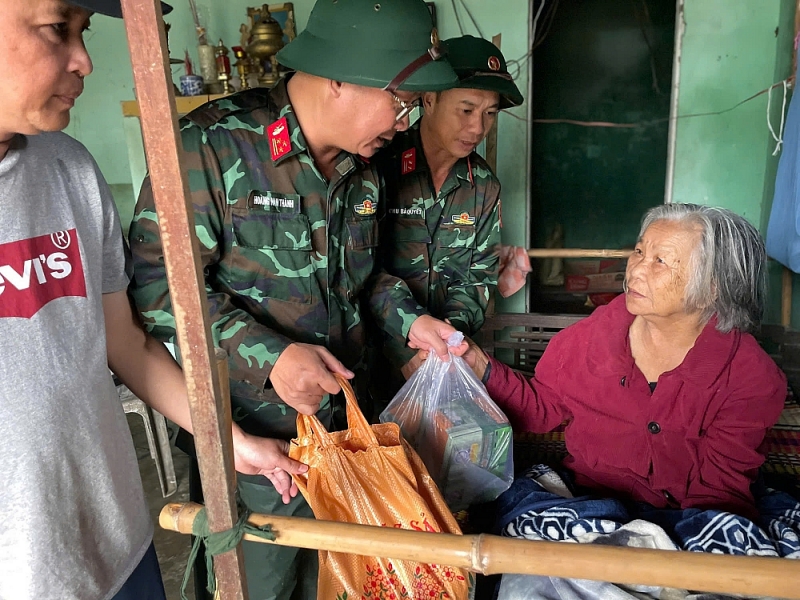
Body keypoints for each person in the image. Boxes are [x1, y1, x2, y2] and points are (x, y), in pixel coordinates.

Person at [128, 1, 465, 598]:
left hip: (344, 432)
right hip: (254, 443)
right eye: (400, 98)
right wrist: (271, 357)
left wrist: (412, 322)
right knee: (260, 585)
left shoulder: (365, 169)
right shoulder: (210, 147)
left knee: (336, 581)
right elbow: (157, 291)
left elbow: (364, 279)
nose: (406, 118)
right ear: (340, 77)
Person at [0, 1, 308, 599]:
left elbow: (128, 343)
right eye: (56, 28)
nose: (84, 60)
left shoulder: (67, 169)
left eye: (83, 33)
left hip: (118, 547)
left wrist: (229, 441)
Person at [462, 203, 787, 519]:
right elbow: (541, 409)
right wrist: (480, 366)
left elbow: (718, 492)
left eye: (660, 261)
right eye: (640, 252)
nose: (636, 270)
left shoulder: (750, 377)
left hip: (688, 514)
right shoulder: (587, 339)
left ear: (712, 288)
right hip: (589, 501)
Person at [375, 35, 524, 393]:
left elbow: (478, 278)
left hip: (444, 362)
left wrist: (446, 343)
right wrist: (406, 340)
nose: (478, 128)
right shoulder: (379, 166)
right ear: (429, 99)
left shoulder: (483, 184)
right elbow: (357, 272)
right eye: (467, 110)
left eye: (490, 113)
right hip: (375, 358)